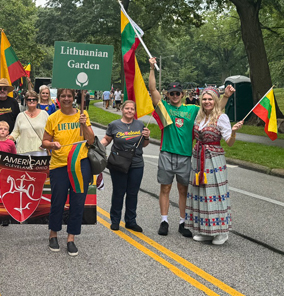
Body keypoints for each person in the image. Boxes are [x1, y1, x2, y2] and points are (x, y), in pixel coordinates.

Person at [148, 57, 234, 237]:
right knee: (165, 188)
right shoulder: (163, 108)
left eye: (177, 93)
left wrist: (225, 96)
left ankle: (182, 222)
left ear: (182, 94)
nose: (174, 96)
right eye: (171, 93)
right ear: (168, 95)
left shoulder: (192, 110)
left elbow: (214, 109)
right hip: (166, 154)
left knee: (183, 189)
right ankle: (164, 221)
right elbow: (152, 89)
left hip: (186, 156)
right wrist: (151, 68)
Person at [186, 88, 243, 245]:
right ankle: (206, 230)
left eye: (210, 99)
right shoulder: (200, 116)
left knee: (215, 193)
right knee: (201, 193)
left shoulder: (221, 117)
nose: (207, 102)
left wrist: (233, 132)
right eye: (204, 99)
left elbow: (229, 143)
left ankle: (221, 232)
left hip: (213, 159)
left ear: (215, 101)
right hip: (199, 158)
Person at [42, 88, 94, 257]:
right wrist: (52, 145)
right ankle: (53, 234)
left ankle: (71, 238)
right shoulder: (53, 118)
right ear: (58, 98)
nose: (66, 98)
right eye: (63, 96)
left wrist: (84, 123)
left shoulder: (82, 115)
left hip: (80, 165)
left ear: (74, 98)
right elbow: (44, 141)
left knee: (78, 202)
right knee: (58, 201)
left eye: (69, 96)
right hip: (59, 165)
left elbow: (91, 140)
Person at [100, 101, 150, 232]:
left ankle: (130, 221)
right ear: (122, 110)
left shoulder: (140, 125)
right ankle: (115, 220)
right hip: (119, 163)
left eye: (132, 109)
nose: (129, 111)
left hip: (136, 163)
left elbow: (144, 145)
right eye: (127, 108)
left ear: (135, 111)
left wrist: (147, 137)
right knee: (118, 192)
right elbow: (107, 139)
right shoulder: (114, 125)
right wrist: (97, 146)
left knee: (132, 193)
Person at [9, 91, 49, 155]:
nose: (31, 101)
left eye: (34, 99)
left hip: (40, 151)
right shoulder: (20, 115)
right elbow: (15, 132)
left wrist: (48, 143)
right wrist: (8, 139)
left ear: (37, 101)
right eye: (29, 99)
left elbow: (49, 131)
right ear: (26, 101)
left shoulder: (44, 114)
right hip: (23, 151)